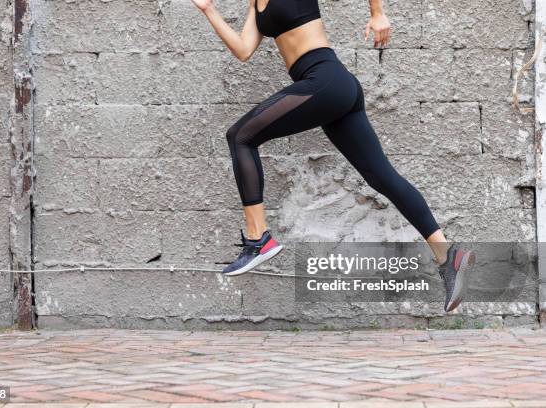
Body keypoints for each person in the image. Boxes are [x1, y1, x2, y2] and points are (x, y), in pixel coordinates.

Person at [190, 0, 475, 312]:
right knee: (382, 177)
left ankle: (259, 239)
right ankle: (448, 255)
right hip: (332, 89)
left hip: (325, 80)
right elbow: (244, 50)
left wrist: (377, 13)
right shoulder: (255, 5)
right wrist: (208, 10)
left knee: (240, 136)